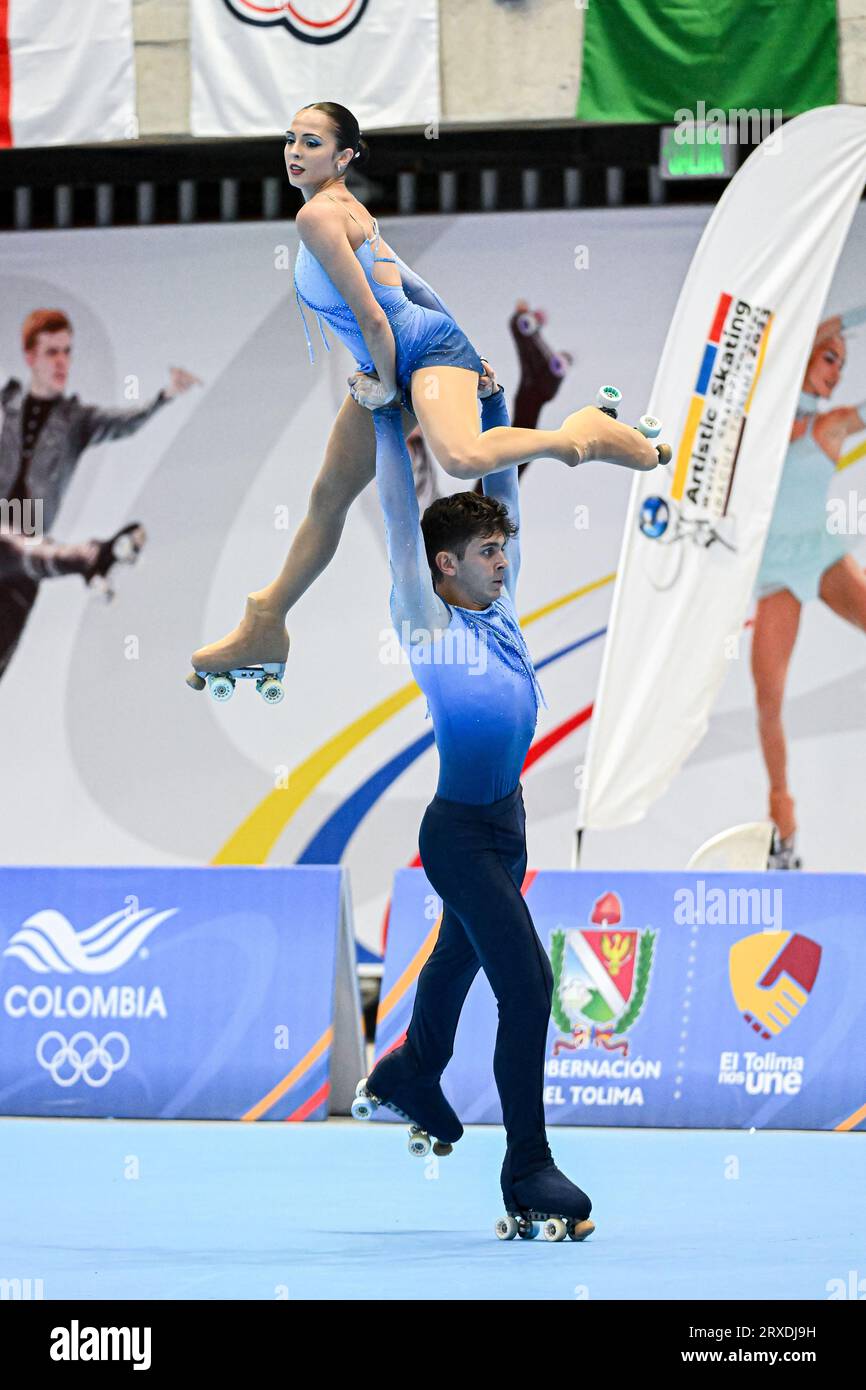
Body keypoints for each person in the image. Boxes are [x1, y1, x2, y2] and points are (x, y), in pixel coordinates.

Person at [189, 101, 659, 680]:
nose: (293, 151)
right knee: (329, 495)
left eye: (311, 142)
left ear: (344, 156)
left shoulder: (318, 219)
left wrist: (395, 382)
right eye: (289, 139)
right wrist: (458, 352)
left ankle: (578, 437)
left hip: (419, 355)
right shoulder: (341, 209)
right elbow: (415, 285)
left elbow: (378, 319)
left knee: (460, 459)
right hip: (406, 355)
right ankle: (265, 621)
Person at [356, 384, 610, 1239]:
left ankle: (409, 1071)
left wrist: (495, 405)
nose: (504, 559)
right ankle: (528, 1166)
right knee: (528, 983)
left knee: (457, 964)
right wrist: (386, 420)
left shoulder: (497, 609)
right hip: (459, 834)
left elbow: (503, 489)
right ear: (445, 566)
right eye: (488, 551)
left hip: (508, 827)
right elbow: (399, 520)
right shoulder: (426, 621)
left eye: (503, 549)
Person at [0, 308, 200, 678]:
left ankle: (84, 557)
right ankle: (87, 556)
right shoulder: (6, 403)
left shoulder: (76, 419)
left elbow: (124, 423)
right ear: (30, 357)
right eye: (52, 352)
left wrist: (164, 396)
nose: (62, 362)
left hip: (29, 557)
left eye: (67, 351)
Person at [751, 307, 866, 867]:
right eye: (828, 358)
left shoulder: (834, 423)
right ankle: (785, 828)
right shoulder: (759, 428)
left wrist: (836, 328)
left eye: (841, 364)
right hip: (775, 575)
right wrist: (831, 320)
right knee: (768, 702)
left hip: (820, 555)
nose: (836, 371)